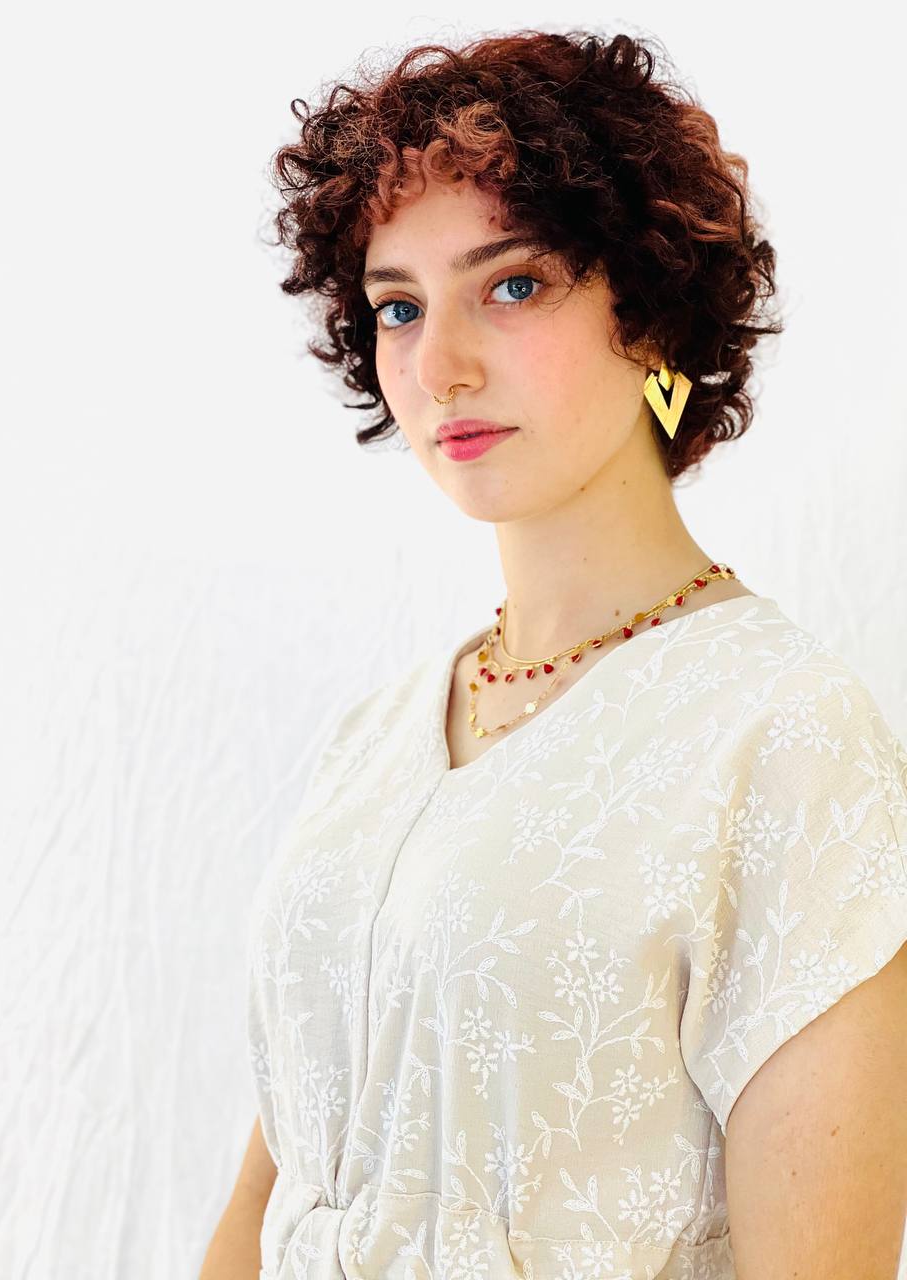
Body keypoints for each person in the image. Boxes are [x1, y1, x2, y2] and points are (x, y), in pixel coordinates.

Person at [203, 27, 907, 1280]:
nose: (440, 365)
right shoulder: (374, 737)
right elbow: (275, 1192)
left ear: (650, 310)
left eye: (513, 285)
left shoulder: (783, 735)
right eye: (399, 307)